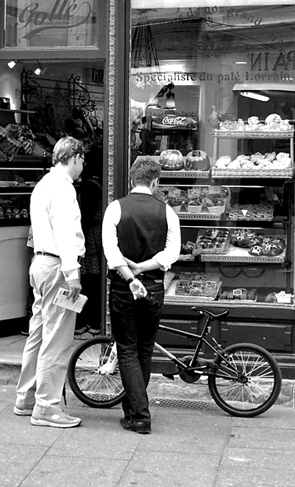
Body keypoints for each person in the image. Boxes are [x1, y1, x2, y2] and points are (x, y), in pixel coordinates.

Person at [102, 158, 180, 434]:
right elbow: (172, 254)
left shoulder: (115, 208)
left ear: (132, 179)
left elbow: (111, 253)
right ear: (156, 182)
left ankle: (139, 414)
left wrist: (131, 275)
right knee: (144, 349)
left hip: (125, 287)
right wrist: (144, 268)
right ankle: (134, 410)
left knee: (126, 348)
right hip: (155, 286)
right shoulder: (167, 211)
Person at [15, 136, 87, 428]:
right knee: (57, 339)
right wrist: (73, 273)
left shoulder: (44, 184)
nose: (82, 166)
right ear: (73, 157)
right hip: (58, 265)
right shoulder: (62, 188)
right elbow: (64, 232)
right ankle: (47, 407)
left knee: (39, 332)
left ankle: (26, 397)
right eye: (82, 160)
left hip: (41, 264)